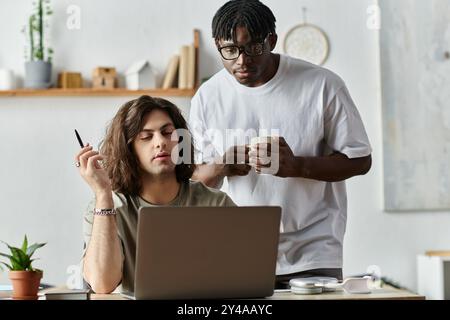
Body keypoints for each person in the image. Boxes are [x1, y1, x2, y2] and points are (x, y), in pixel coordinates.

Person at [189, 0, 372, 288]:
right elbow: (197, 179)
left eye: (253, 48)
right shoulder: (207, 97)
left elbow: (361, 159)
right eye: (230, 50)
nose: (241, 60)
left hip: (315, 249)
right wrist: (221, 166)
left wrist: (298, 165)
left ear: (271, 40)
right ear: (217, 45)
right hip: (238, 248)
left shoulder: (322, 85)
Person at [76, 96, 235, 294]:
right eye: (146, 136)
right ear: (128, 149)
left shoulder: (217, 203)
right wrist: (102, 193)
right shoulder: (104, 207)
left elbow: (241, 274)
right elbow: (103, 284)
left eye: (168, 133)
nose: (161, 142)